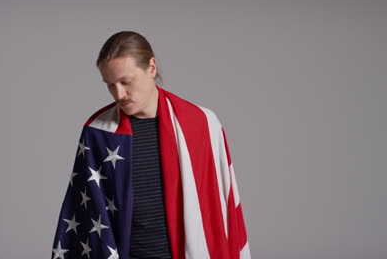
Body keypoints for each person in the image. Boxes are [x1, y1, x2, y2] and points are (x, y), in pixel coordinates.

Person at [51, 31, 251, 259]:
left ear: (152, 68)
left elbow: (221, 210)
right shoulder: (99, 131)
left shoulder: (202, 124)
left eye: (126, 81)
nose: (119, 93)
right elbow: (88, 217)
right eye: (110, 84)